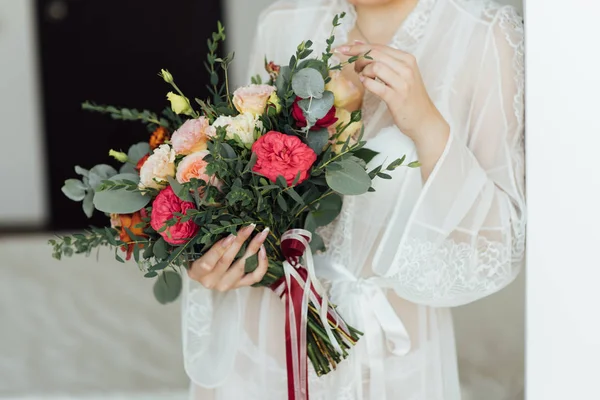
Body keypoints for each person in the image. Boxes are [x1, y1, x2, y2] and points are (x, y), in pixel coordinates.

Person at [182, 0, 525, 398]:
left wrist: (426, 124)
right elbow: (239, 184)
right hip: (265, 352)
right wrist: (211, 258)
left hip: (393, 360)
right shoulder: (283, 22)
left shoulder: (483, 33)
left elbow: (499, 246)